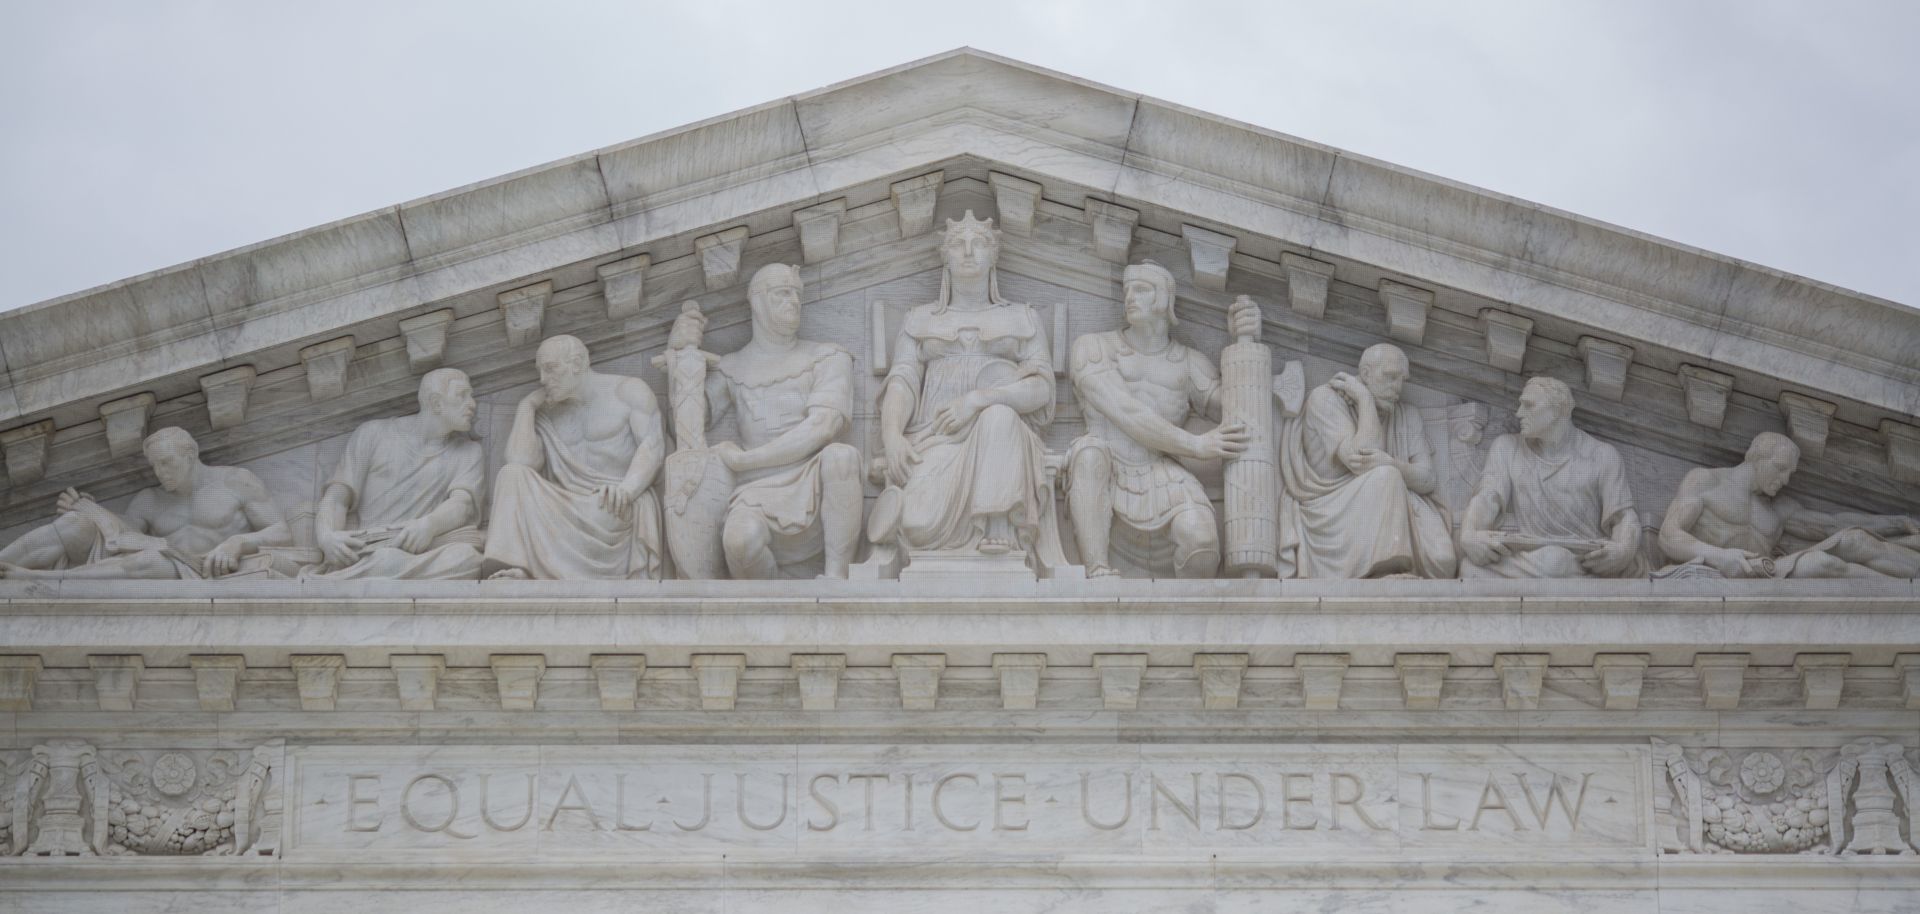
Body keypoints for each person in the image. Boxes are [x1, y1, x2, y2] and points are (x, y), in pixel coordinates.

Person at [869, 211, 1055, 559]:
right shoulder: (920, 319)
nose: (968, 252)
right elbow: (903, 382)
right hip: (935, 437)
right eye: (957, 244)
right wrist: (892, 436)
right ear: (945, 256)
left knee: (998, 416)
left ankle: (998, 522)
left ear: (994, 255)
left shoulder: (1022, 318)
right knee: (917, 525)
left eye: (979, 243)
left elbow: (1041, 388)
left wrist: (977, 400)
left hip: (1003, 441)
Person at [667, 264, 863, 578]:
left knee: (842, 457)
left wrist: (746, 460)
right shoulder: (733, 368)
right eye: (783, 293)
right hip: (754, 490)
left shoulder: (827, 357)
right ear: (757, 302)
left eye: (797, 294)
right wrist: (680, 353)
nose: (795, 301)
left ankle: (836, 580)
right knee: (740, 541)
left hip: (813, 479)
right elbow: (687, 422)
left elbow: (823, 426)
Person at [1065, 261, 1249, 578]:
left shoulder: (1190, 363)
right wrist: (1197, 444)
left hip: (1160, 473)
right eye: (1126, 290)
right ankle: (1096, 569)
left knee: (1202, 543)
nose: (1129, 297)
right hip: (1106, 468)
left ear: (1165, 299)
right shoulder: (1093, 349)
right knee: (1090, 453)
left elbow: (1240, 413)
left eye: (1141, 289)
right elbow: (1126, 411)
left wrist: (1246, 342)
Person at [484, 335, 665, 580]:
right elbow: (520, 462)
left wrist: (627, 490)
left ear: (577, 363)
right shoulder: (547, 410)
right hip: (563, 506)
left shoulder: (628, 391)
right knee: (511, 473)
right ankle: (520, 567)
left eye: (550, 369)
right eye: (540, 371)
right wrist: (526, 406)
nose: (542, 380)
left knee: (609, 505)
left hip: (612, 506)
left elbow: (652, 444)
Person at [0, 427, 290, 579]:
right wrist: (90, 511)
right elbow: (121, 538)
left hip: (196, 569)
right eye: (154, 466)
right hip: (158, 559)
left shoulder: (236, 481)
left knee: (152, 560)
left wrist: (236, 543)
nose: (160, 472)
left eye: (167, 463)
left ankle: (48, 581)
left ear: (190, 455)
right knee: (77, 524)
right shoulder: (150, 499)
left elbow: (282, 532)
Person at [1275, 343, 1456, 578]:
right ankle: (1387, 570)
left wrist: (1392, 463)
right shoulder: (1326, 399)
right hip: (1328, 507)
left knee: (1444, 562)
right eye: (1390, 377)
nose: (1398, 388)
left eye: (1402, 380)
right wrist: (1365, 399)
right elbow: (1361, 458)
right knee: (1386, 477)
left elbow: (1427, 478)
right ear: (1366, 374)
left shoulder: (1406, 415)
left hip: (1390, 497)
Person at [304, 368, 487, 580]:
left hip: (423, 553)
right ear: (437, 403)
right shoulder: (373, 434)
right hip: (370, 551)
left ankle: (367, 577)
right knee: (386, 560)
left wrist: (429, 525)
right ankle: (351, 576)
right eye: (462, 395)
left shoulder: (469, 452)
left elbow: (462, 505)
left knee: (467, 559)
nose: (473, 404)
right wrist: (327, 537)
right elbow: (337, 498)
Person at [1659, 431, 1920, 578]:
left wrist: (1898, 522)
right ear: (1756, 457)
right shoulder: (1706, 481)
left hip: (1770, 571)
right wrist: (1719, 556)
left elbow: (1834, 524)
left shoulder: (1779, 509)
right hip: (1736, 572)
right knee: (1821, 563)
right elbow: (1669, 535)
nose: (1784, 480)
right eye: (1780, 468)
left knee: (1855, 541)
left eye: (1789, 474)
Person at [1458, 377, 1644, 578]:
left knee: (1555, 561)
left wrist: (1623, 550)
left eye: (1528, 405)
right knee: (1470, 570)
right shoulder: (1506, 448)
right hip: (1527, 561)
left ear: (1557, 410)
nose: (1519, 413)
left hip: (1585, 563)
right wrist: (1468, 534)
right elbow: (1487, 499)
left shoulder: (1602, 456)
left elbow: (1624, 517)